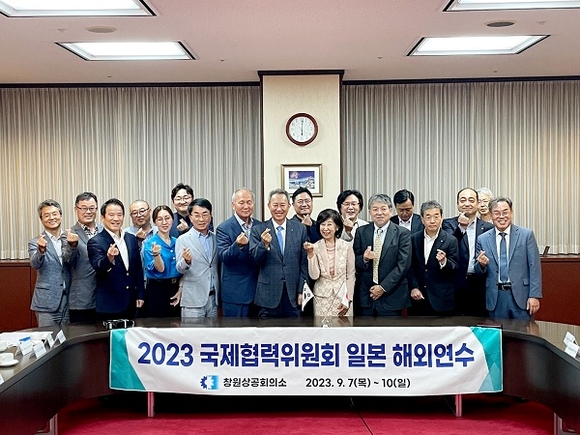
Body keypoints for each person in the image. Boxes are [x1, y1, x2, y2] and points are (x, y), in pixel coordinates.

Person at [475, 197, 542, 320]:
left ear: (511, 213)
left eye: (505, 212)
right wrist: (481, 265)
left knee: (524, 331)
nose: (501, 216)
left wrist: (534, 295)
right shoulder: (482, 239)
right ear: (491, 215)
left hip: (522, 296)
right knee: (498, 331)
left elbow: (534, 267)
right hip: (496, 297)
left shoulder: (526, 235)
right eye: (497, 213)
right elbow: (478, 271)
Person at [250, 188, 308, 319]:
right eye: (275, 205)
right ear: (269, 206)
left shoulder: (300, 229)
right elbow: (254, 260)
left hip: (293, 295)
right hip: (267, 296)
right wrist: (263, 245)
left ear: (289, 206)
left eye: (282, 205)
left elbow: (304, 263)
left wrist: (301, 290)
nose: (279, 209)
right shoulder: (258, 230)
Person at [353, 194, 411, 316]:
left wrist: (383, 287)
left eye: (383, 209)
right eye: (375, 209)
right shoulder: (361, 232)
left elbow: (403, 266)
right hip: (366, 296)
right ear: (369, 212)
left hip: (392, 296)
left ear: (390, 211)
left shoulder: (402, 233)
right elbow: (354, 261)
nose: (379, 213)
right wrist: (364, 259)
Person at [87, 198, 145, 320]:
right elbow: (98, 267)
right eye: (111, 215)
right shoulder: (95, 241)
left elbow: (138, 269)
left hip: (131, 302)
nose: (116, 218)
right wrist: (109, 258)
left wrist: (140, 294)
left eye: (119, 215)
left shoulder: (131, 238)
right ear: (103, 218)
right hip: (109, 304)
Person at [442, 187, 494, 317]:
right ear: (457, 204)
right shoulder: (448, 224)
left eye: (471, 200)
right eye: (463, 200)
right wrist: (461, 227)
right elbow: (449, 246)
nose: (467, 203)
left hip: (480, 283)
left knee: (479, 322)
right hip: (456, 283)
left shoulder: (489, 227)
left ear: (477, 203)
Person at [29, 199, 78, 326]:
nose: (52, 218)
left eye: (54, 214)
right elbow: (35, 264)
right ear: (41, 219)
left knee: (67, 336)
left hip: (68, 300)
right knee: (47, 337)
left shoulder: (69, 238)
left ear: (60, 215)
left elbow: (71, 260)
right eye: (47, 215)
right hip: (46, 301)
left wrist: (73, 245)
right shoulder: (35, 241)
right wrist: (41, 250)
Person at [408, 200, 459, 316]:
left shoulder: (451, 240)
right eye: (428, 217)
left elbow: (455, 268)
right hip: (418, 297)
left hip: (442, 299)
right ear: (422, 219)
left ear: (441, 218)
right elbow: (410, 267)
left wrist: (444, 262)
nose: (432, 221)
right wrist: (414, 287)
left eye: (436, 216)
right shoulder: (413, 239)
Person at [216, 188, 260, 317]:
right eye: (241, 202)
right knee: (235, 329)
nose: (246, 206)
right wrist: (237, 245)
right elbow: (224, 257)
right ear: (233, 205)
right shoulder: (224, 228)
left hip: (258, 292)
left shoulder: (260, 225)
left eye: (249, 202)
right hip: (235, 294)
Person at [303, 209, 355, 317]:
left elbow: (350, 275)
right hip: (322, 299)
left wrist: (348, 299)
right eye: (322, 224)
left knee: (344, 326)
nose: (325, 228)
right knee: (322, 327)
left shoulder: (346, 246)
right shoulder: (315, 246)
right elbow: (314, 276)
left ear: (337, 227)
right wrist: (310, 255)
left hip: (343, 298)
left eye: (329, 224)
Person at [176, 198, 219, 318]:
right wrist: (186, 261)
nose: (201, 219)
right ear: (190, 217)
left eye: (205, 214)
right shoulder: (183, 239)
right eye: (197, 215)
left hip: (214, 299)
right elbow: (179, 269)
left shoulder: (216, 238)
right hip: (193, 300)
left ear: (210, 216)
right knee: (192, 331)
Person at [142, 205, 181, 317]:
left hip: (176, 287)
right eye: (160, 219)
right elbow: (160, 269)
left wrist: (180, 289)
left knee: (177, 324)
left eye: (167, 218)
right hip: (157, 289)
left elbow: (184, 269)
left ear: (172, 220)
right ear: (155, 222)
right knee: (158, 324)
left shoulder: (178, 241)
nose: (164, 222)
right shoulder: (150, 243)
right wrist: (156, 255)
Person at [69, 192, 101, 323]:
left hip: (105, 297)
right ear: (76, 209)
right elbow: (67, 260)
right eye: (83, 208)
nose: (88, 212)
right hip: (81, 299)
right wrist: (72, 246)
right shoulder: (69, 234)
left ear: (97, 209)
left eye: (91, 208)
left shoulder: (105, 231)